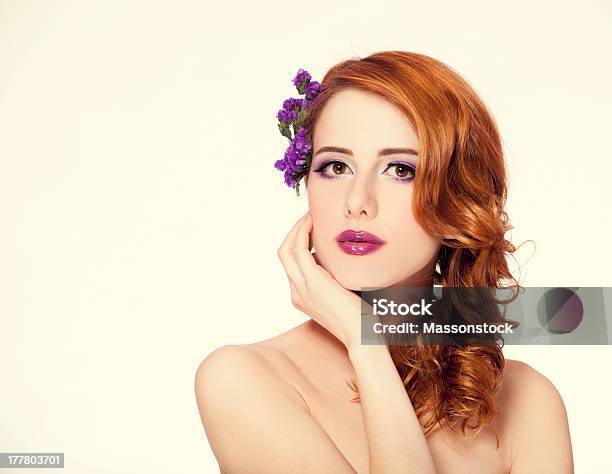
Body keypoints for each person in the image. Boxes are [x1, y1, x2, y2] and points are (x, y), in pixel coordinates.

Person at [194, 51, 574, 473]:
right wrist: (366, 345)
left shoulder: (526, 400)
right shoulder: (243, 379)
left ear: (458, 200)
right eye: (335, 166)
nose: (357, 202)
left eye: (400, 170)